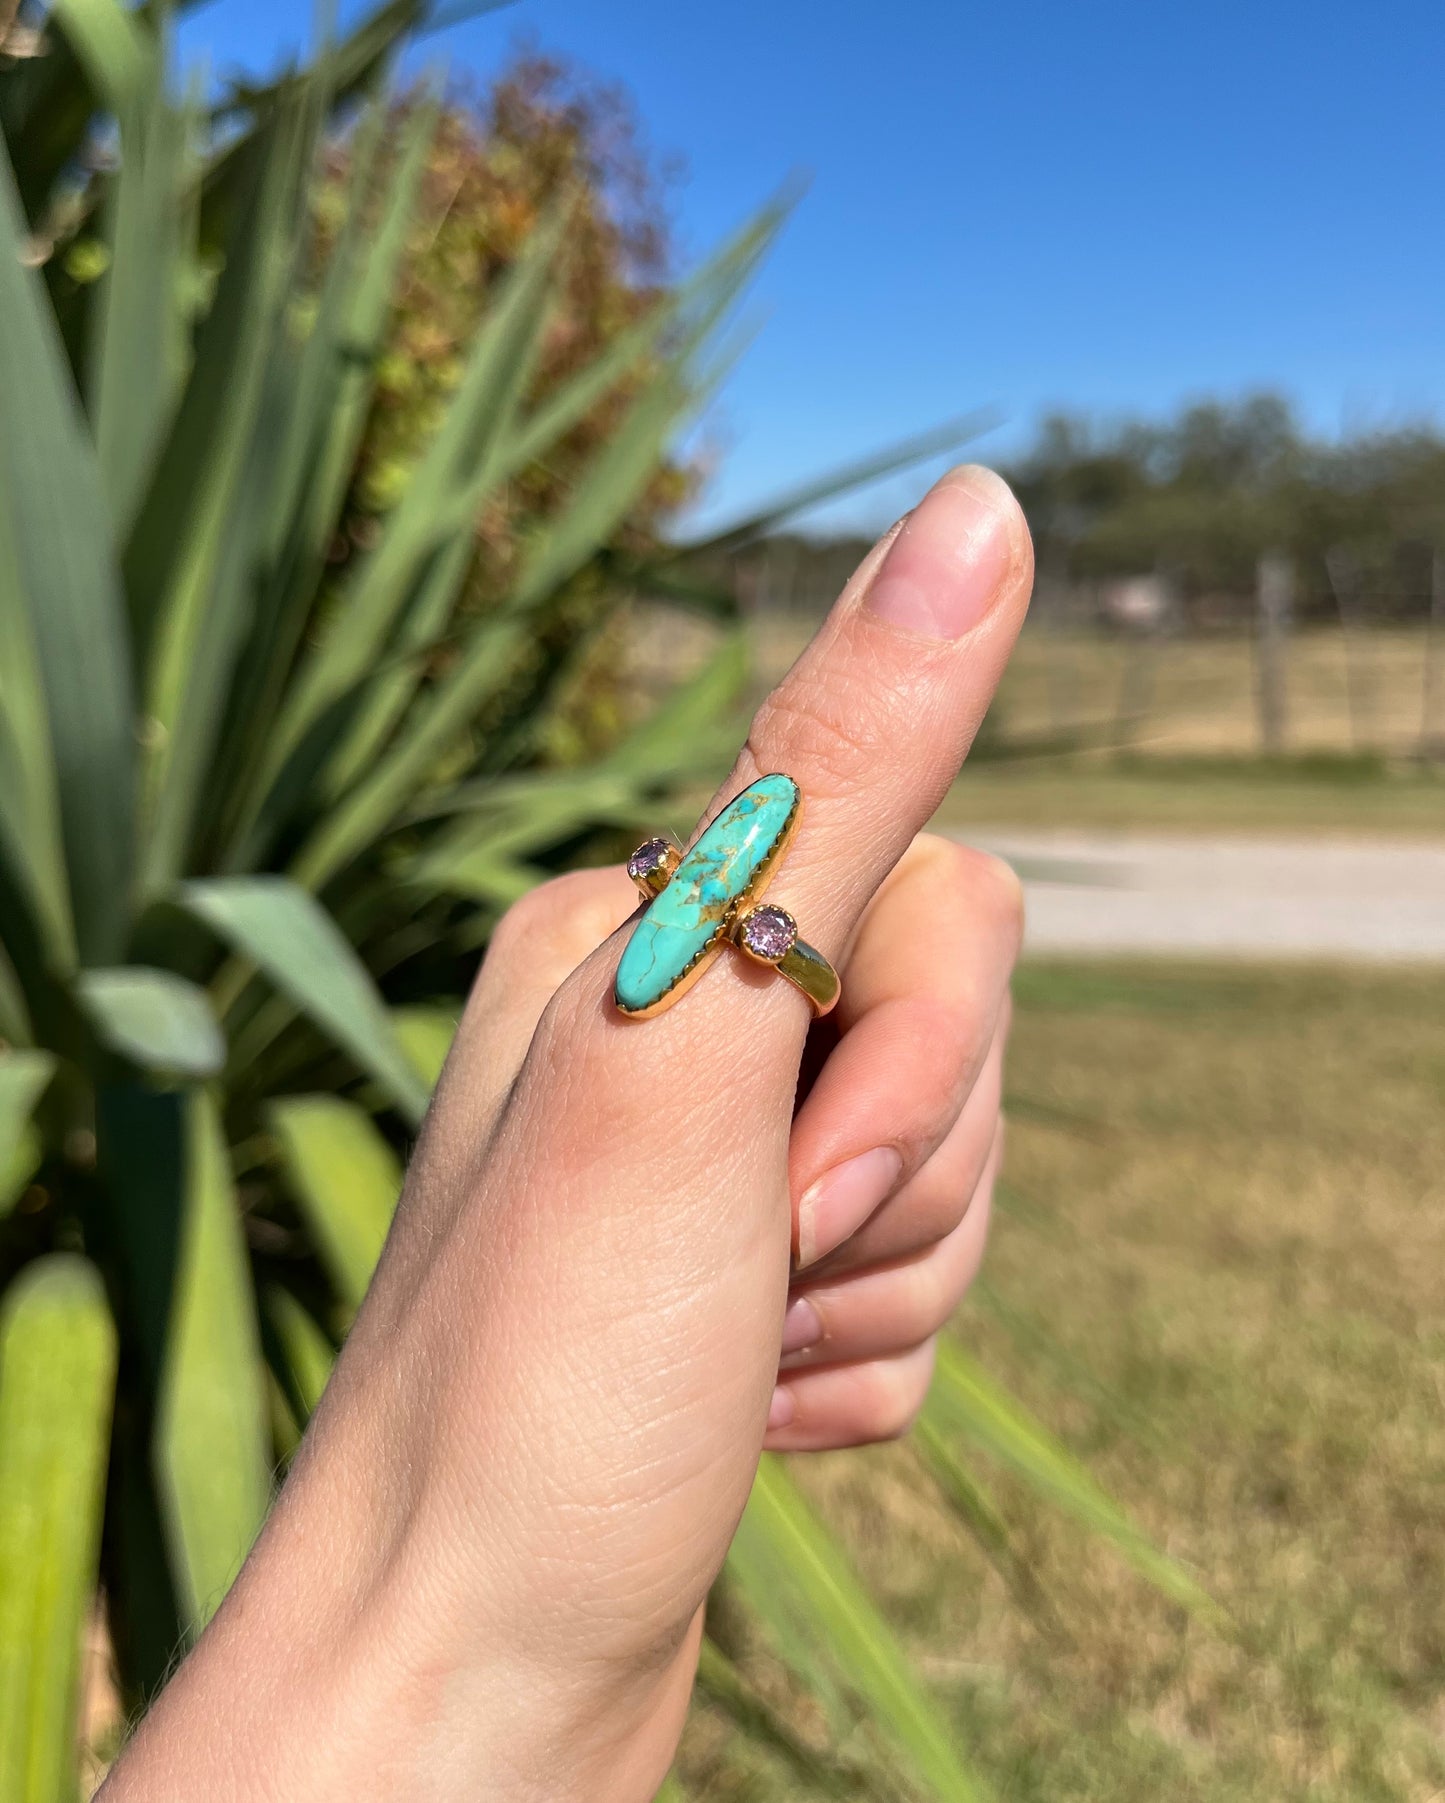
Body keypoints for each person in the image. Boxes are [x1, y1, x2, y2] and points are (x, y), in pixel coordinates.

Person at [100, 465, 1033, 1801]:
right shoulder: (708, 902)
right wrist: (472, 1660)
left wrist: (498, 1679)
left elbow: (697, 906)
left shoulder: (709, 896)